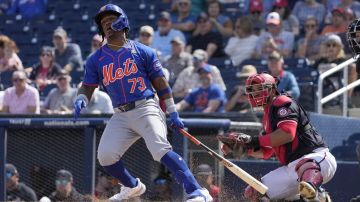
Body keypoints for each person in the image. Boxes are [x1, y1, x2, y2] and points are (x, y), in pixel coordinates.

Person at [73, 4, 212, 201]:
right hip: (120, 114)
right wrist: (81, 97)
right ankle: (132, 186)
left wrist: (172, 111)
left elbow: (161, 83)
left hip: (145, 107)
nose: (106, 24)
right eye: (103, 22)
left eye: (110, 19)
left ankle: (198, 192)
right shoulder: (96, 59)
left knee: (159, 150)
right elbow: (87, 85)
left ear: (123, 22)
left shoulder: (142, 51)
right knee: (105, 156)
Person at [217, 72, 337, 201]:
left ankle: (318, 196)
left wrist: (252, 140)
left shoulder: (282, 102)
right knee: (255, 192)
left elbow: (287, 134)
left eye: (260, 89)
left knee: (305, 169)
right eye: (252, 90)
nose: (255, 94)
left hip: (316, 159)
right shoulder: (267, 115)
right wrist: (245, 148)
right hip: (291, 168)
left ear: (272, 89)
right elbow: (267, 152)